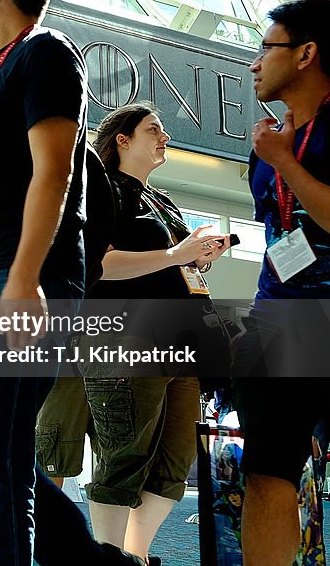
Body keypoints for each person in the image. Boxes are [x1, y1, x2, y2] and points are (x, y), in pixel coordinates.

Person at [0, 0, 143, 566]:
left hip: (18, 273)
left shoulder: (45, 53)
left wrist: (24, 279)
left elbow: (53, 173)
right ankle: (84, 555)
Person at [238, 0, 330, 566]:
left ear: (307, 54)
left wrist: (285, 163)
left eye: (266, 47)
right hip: (276, 322)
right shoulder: (269, 141)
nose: (254, 62)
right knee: (265, 472)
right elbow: (278, 238)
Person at [83, 102, 231, 563]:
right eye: (154, 129)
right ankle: (110, 555)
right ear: (122, 140)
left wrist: (197, 256)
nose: (164, 136)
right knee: (124, 455)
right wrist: (175, 255)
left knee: (175, 462)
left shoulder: (160, 201)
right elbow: (99, 265)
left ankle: (135, 554)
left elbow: (176, 263)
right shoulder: (102, 190)